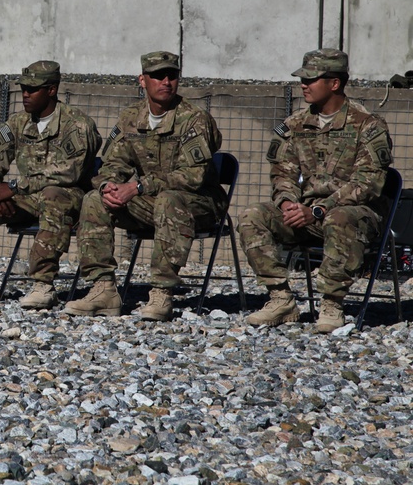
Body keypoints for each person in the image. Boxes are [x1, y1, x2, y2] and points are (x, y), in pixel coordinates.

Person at [238, 49, 393, 333]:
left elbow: (368, 183)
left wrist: (319, 209)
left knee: (341, 218)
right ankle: (280, 298)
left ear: (334, 83)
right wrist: (287, 204)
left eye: (311, 79)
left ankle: (332, 303)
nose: (303, 85)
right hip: (306, 215)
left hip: (354, 216)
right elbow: (282, 173)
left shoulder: (367, 125)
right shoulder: (295, 125)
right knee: (253, 215)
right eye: (303, 79)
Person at [65, 51, 226, 321]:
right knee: (94, 199)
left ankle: (162, 293)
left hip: (199, 204)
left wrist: (138, 187)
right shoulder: (131, 117)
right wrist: (109, 185)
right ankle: (103, 289)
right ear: (142, 80)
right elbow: (113, 162)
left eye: (172, 76)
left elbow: (193, 176)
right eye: (158, 76)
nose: (166, 81)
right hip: (153, 203)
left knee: (169, 200)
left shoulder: (193, 119)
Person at [0, 61, 102, 310]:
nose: (25, 94)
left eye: (32, 89)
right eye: (23, 88)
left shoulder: (77, 124)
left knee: (53, 194)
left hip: (69, 198)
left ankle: (43, 285)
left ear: (52, 90)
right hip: (27, 197)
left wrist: (13, 188)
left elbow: (68, 172)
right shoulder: (17, 123)